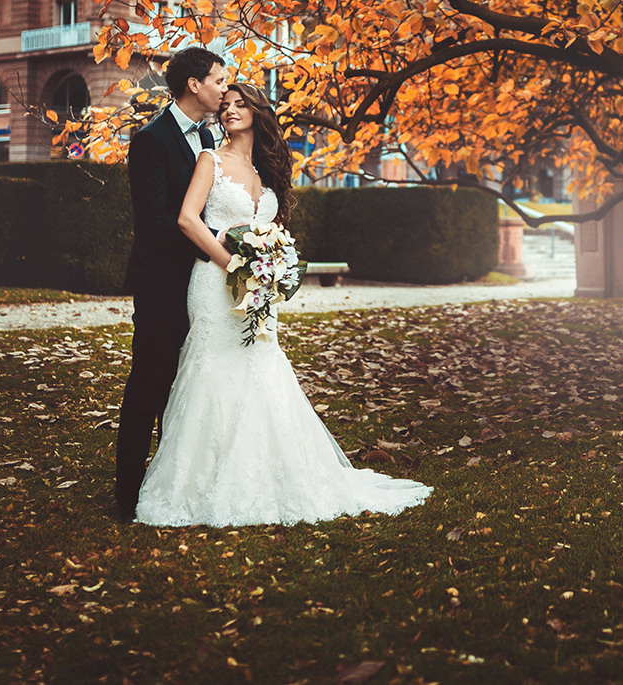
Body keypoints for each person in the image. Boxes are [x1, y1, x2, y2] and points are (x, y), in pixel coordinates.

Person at [133, 83, 432, 526]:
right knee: (214, 366)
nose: (230, 110)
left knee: (261, 364)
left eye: (240, 104)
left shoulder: (266, 170)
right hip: (214, 284)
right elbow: (186, 219)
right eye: (226, 105)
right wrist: (235, 264)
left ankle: (268, 473)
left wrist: (273, 266)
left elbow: (271, 230)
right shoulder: (209, 160)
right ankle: (197, 480)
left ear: (258, 111)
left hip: (258, 287)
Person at [115, 47, 228, 521]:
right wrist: (217, 249)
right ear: (194, 85)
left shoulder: (214, 135)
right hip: (163, 285)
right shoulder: (151, 141)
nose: (225, 88)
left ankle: (176, 483)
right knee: (150, 386)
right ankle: (127, 495)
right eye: (219, 80)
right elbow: (156, 222)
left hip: (205, 287)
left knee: (192, 387)